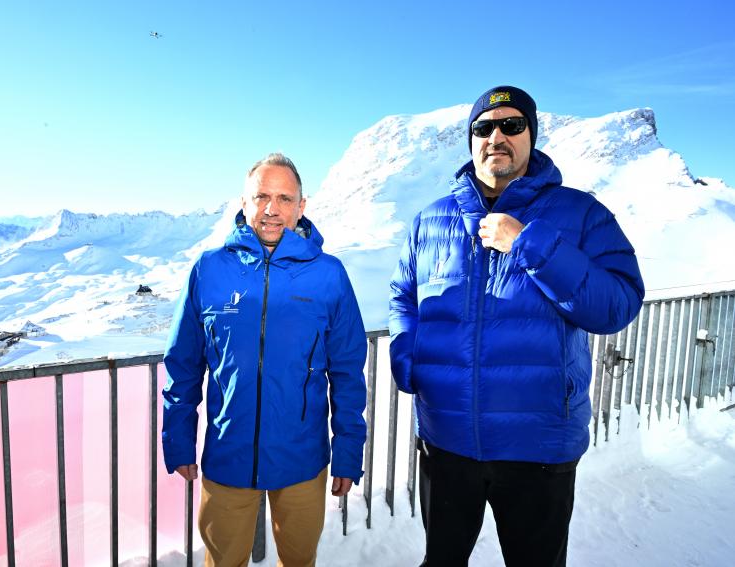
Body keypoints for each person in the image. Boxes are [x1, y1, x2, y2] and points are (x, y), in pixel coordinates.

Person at [389, 86, 645, 566]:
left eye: (511, 125)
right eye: (483, 128)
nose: (496, 137)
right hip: (447, 439)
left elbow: (618, 305)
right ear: (470, 140)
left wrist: (531, 245)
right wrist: (408, 358)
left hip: (539, 445)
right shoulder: (431, 219)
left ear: (532, 134)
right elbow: (403, 295)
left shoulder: (581, 213)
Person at [162, 153, 368, 567]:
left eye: (285, 198)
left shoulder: (329, 275)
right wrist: (178, 438)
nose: (272, 209)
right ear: (243, 202)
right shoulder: (209, 269)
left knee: (298, 561)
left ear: (302, 206)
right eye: (262, 197)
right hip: (228, 454)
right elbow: (183, 365)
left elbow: (347, 372)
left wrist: (348, 450)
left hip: (303, 460)